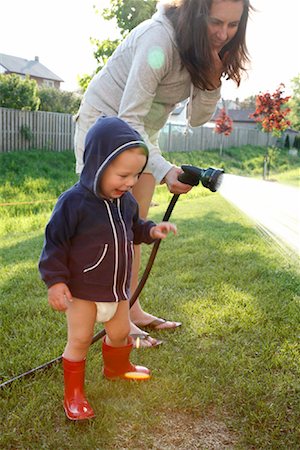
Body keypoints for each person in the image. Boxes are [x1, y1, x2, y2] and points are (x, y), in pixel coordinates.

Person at [74, 0, 252, 347]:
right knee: (112, 231)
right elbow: (127, 118)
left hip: (141, 135)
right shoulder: (159, 39)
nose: (223, 34)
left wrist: (213, 76)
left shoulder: (203, 47)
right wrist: (163, 168)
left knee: (133, 227)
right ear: (195, 12)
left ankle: (133, 311)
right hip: (105, 129)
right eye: (216, 22)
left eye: (233, 25)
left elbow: (197, 118)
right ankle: (118, 324)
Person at [38, 117, 177, 421]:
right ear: (98, 165)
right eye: (123, 175)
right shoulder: (73, 203)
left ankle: (118, 368)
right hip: (83, 294)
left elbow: (135, 228)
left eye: (135, 176)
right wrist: (55, 282)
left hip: (117, 291)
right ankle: (74, 395)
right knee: (79, 340)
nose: (129, 183)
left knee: (120, 332)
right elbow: (55, 244)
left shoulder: (125, 202)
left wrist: (152, 231)